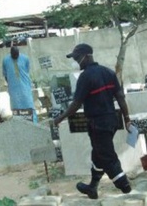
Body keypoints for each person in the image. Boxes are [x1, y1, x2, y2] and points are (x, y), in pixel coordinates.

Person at [54, 43, 132, 199]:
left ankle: (125, 186)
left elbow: (76, 104)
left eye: (77, 58)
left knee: (107, 156)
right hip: (111, 120)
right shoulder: (109, 73)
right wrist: (127, 119)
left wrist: (60, 118)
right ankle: (92, 187)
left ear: (87, 56)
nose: (76, 61)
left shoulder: (85, 77)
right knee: (97, 155)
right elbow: (120, 98)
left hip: (98, 123)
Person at [2, 46, 38, 123]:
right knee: (16, 107)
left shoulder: (25, 58)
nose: (15, 57)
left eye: (16, 55)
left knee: (28, 104)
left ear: (19, 53)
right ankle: (19, 124)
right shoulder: (5, 60)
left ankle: (34, 123)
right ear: (10, 53)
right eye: (13, 55)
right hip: (13, 88)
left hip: (25, 87)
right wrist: (11, 83)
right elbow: (5, 75)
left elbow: (27, 71)